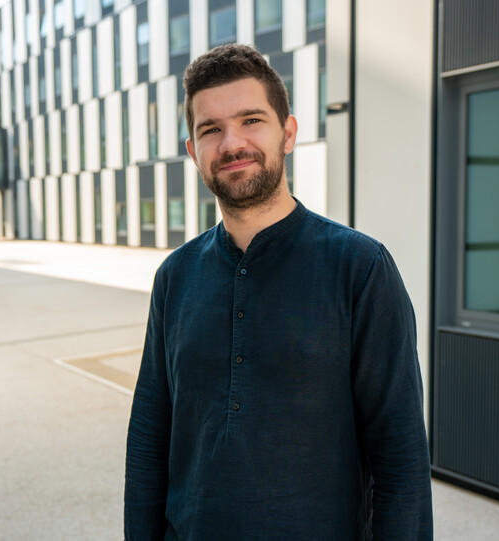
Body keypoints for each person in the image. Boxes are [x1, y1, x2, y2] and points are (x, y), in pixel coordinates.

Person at [125, 43, 432, 540]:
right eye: (210, 130)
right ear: (193, 151)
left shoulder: (360, 268)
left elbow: (400, 457)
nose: (231, 143)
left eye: (251, 120)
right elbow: (148, 440)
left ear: (287, 133)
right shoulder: (174, 277)